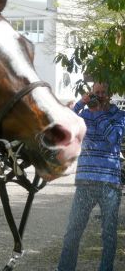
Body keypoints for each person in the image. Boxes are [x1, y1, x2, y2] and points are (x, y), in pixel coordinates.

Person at [57, 82, 125, 271]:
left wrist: (98, 114)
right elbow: (62, 125)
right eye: (96, 93)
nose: (100, 96)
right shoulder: (84, 114)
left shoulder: (119, 115)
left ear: (110, 95)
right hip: (85, 182)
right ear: (91, 93)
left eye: (103, 92)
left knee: (109, 235)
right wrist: (80, 103)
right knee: (73, 231)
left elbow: (115, 138)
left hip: (109, 183)